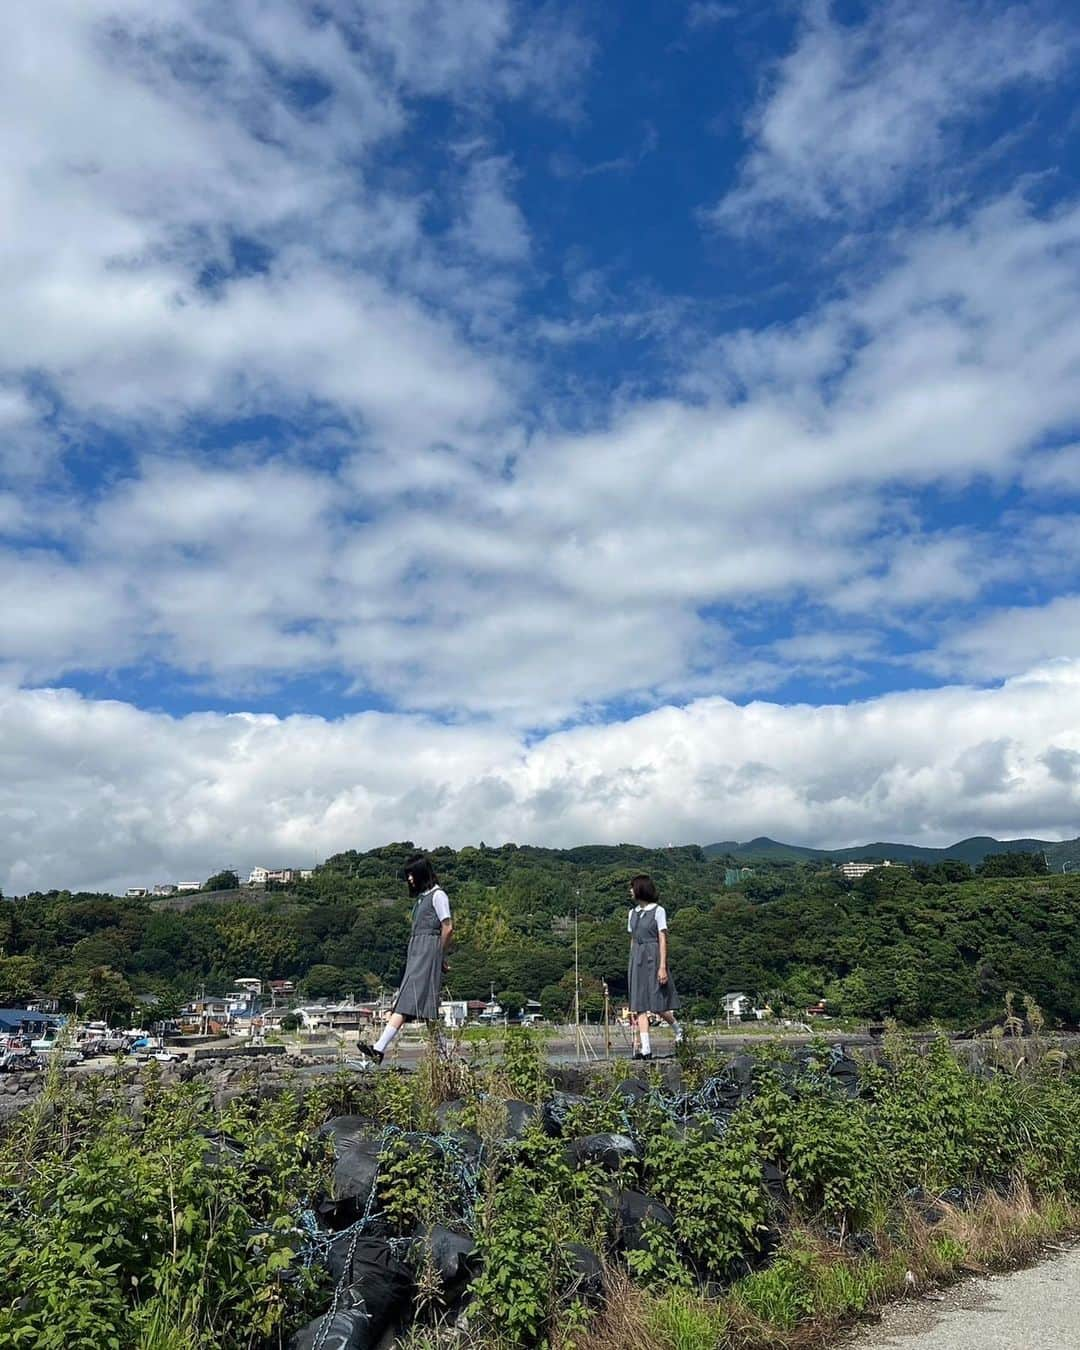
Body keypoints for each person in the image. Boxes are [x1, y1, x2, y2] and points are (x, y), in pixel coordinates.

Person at [357, 855, 453, 1065]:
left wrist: (439, 954)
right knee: (427, 1008)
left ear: (422, 873)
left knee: (406, 999)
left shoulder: (438, 895)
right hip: (418, 951)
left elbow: (447, 927)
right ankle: (446, 1057)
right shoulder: (422, 897)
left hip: (427, 950)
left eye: (412, 873)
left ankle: (379, 1048)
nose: (409, 878)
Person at [626, 873, 683, 1059]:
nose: (630, 891)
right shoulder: (632, 913)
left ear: (640, 888)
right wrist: (632, 962)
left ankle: (678, 1030)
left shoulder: (658, 910)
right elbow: (633, 940)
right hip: (637, 958)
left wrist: (662, 966)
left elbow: (662, 938)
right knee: (639, 1005)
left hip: (654, 956)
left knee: (658, 1004)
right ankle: (646, 1048)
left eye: (632, 887)